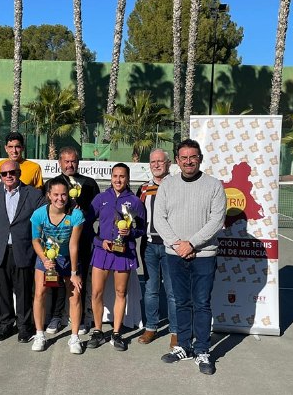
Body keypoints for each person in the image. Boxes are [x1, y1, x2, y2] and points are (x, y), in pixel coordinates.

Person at [153, 139, 226, 375]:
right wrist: (178, 244)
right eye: (183, 157)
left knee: (202, 303)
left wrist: (192, 244)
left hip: (204, 255)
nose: (188, 161)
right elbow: (159, 219)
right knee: (181, 302)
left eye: (192, 157)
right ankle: (183, 345)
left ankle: (202, 349)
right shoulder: (167, 185)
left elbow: (217, 221)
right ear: (177, 161)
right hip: (175, 255)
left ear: (200, 159)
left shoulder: (214, 186)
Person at [0, 160, 44, 343]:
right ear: (0, 176)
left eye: (12, 173)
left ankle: (24, 326)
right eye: (4, 174)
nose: (8, 176)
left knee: (23, 290)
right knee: (3, 290)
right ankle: (6, 323)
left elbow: (47, 214)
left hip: (23, 249)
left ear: (19, 173)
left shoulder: (33, 194)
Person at [86, 163, 145, 352]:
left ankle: (117, 333)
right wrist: (99, 242)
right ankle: (97, 330)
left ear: (127, 179)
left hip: (124, 252)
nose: (118, 180)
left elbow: (142, 229)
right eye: (115, 176)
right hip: (102, 252)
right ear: (111, 177)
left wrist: (130, 232)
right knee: (96, 293)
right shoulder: (101, 198)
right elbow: (86, 225)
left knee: (121, 293)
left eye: (122, 176)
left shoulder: (135, 201)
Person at [45, 147, 99, 336]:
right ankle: (56, 316)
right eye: (66, 161)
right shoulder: (53, 184)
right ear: (60, 163)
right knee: (57, 279)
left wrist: (81, 212)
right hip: (58, 242)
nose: (70, 164)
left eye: (73, 161)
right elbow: (47, 212)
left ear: (78, 162)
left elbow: (95, 213)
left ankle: (84, 318)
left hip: (83, 240)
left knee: (81, 279)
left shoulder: (90, 184)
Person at [30, 177, 85, 354]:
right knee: (40, 293)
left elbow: (73, 245)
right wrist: (44, 258)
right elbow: (36, 240)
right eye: (56, 195)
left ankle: (75, 337)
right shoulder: (39, 214)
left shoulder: (76, 215)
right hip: (45, 258)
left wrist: (74, 272)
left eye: (63, 195)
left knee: (75, 295)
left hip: (68, 259)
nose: (60, 199)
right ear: (48, 195)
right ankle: (40, 334)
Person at [136, 149, 177, 348]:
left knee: (172, 291)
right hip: (149, 246)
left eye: (161, 161)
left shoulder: (177, 186)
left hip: (171, 247)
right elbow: (133, 216)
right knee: (151, 289)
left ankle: (176, 331)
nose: (157, 165)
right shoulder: (143, 189)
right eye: (153, 161)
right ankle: (151, 327)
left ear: (168, 164)